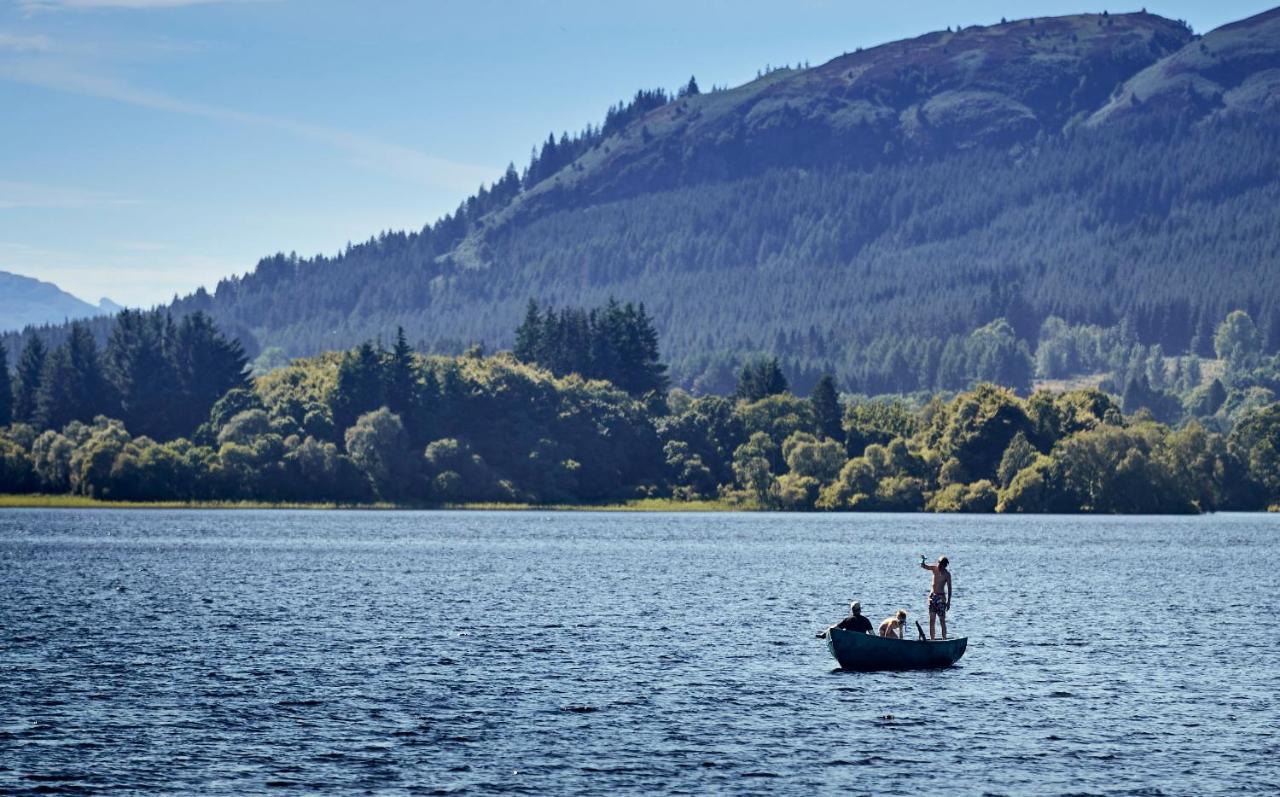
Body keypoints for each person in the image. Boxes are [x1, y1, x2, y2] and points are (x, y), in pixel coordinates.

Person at [920, 554, 952, 639]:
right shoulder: (934, 568)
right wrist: (923, 560)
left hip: (941, 599)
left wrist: (948, 602)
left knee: (942, 620)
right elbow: (923, 566)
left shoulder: (947, 574)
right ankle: (932, 640)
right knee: (932, 620)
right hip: (932, 597)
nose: (939, 567)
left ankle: (944, 639)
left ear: (945, 565)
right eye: (939, 564)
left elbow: (949, 589)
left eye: (941, 565)